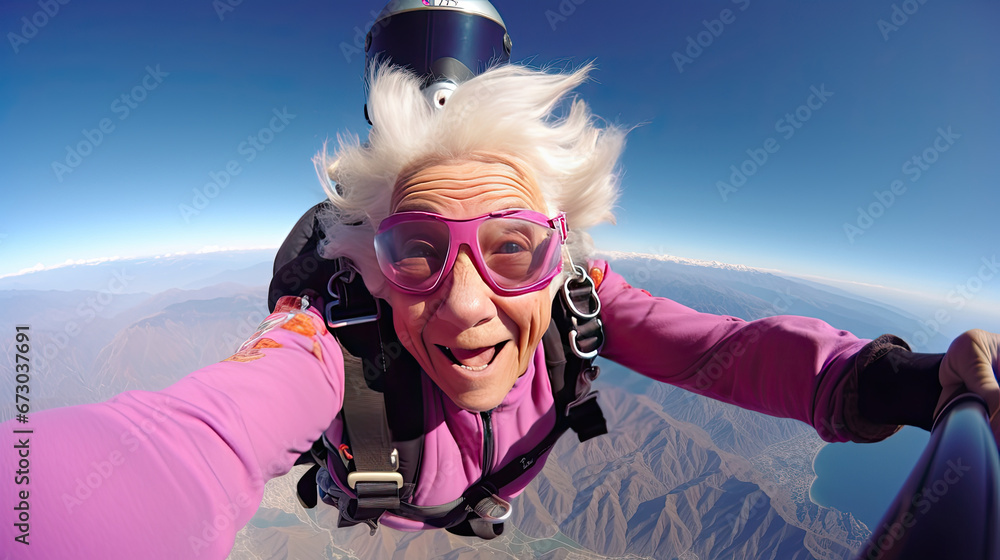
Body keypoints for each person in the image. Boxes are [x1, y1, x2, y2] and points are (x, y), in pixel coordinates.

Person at [4, 14, 1000, 560]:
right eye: (415, 250)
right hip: (395, 505)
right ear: (366, 259)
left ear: (561, 247)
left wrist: (910, 385)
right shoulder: (331, 333)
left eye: (514, 245)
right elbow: (189, 439)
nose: (467, 299)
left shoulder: (582, 293)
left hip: (477, 495)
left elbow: (721, 349)